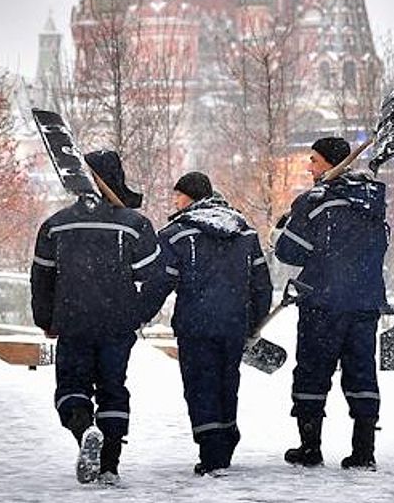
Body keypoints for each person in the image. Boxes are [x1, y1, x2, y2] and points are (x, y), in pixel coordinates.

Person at [30, 150, 163, 486]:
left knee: (71, 386)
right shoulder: (135, 225)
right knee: (112, 389)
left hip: (73, 321)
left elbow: (41, 278)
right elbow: (157, 276)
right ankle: (110, 465)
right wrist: (138, 313)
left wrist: (45, 319)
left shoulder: (56, 225)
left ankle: (83, 428)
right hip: (117, 324)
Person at [140, 171, 272, 475]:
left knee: (201, 386)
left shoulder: (175, 235)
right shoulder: (245, 233)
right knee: (228, 383)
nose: (175, 201)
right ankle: (226, 439)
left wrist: (140, 314)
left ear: (190, 197)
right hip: (234, 325)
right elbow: (261, 284)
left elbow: (160, 282)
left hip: (196, 326)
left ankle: (212, 451)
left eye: (178, 195)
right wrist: (254, 323)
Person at [274, 136, 388, 470]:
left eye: (314, 160)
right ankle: (364, 450)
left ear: (328, 163)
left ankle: (309, 447)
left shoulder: (313, 201)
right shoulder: (373, 201)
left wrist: (284, 229)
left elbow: (288, 252)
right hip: (364, 303)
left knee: (312, 373)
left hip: (322, 303)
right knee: (362, 374)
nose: (309, 167)